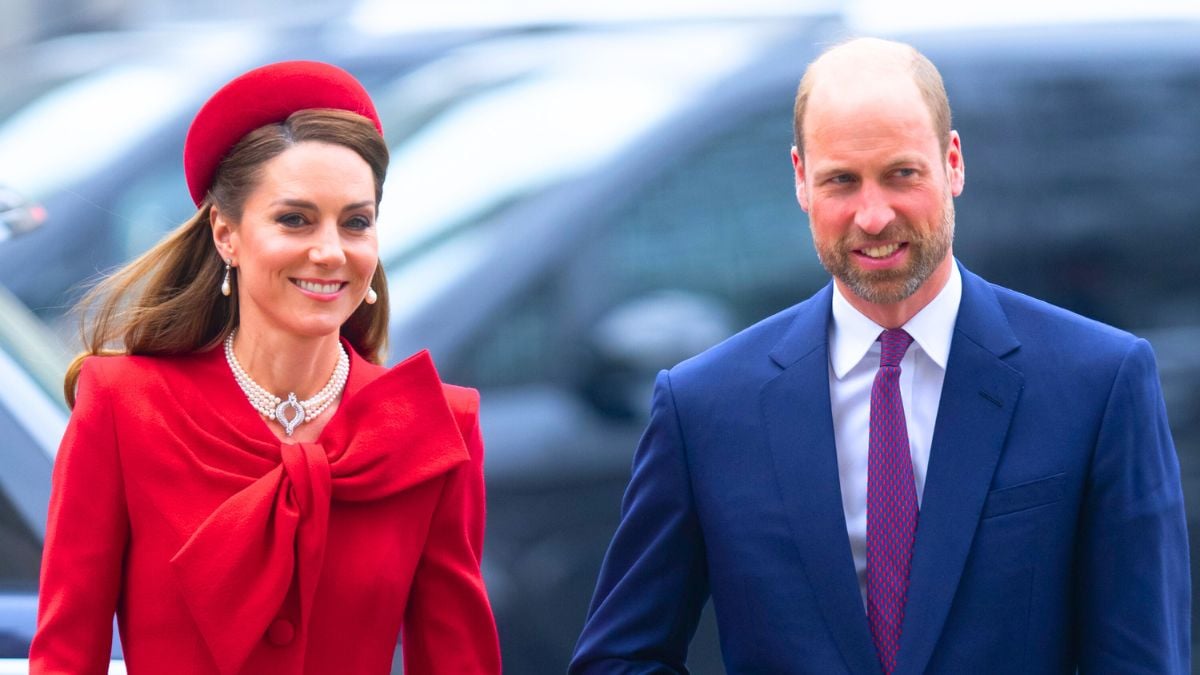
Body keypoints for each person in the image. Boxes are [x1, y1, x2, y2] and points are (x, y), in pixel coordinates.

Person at [570, 37, 1190, 674]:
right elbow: (620, 658)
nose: (872, 215)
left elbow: (1142, 659)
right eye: (842, 180)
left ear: (952, 164)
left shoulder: (1097, 382)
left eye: (901, 173)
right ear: (800, 181)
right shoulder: (705, 407)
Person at [30, 60, 501, 674]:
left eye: (356, 222)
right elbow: (66, 657)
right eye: (295, 219)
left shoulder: (434, 427)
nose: (331, 251)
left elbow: (458, 660)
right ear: (227, 234)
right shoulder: (123, 404)